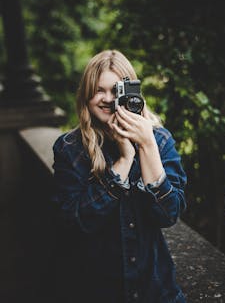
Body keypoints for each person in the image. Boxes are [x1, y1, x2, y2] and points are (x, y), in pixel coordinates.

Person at [52, 49, 187, 303]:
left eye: (116, 91)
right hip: (95, 290)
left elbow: (169, 214)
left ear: (132, 94)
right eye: (98, 90)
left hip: (155, 291)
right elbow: (74, 222)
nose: (107, 99)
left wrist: (146, 146)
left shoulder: (159, 140)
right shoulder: (70, 148)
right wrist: (124, 161)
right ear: (86, 95)